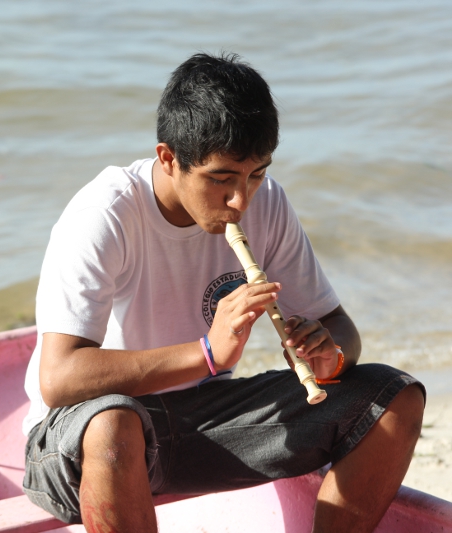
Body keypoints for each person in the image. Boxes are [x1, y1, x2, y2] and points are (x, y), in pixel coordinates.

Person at [21, 52, 426, 533]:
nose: (241, 199)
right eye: (221, 178)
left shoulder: (267, 201)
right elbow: (60, 376)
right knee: (114, 422)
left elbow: (341, 329)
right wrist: (208, 353)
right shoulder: (106, 212)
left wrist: (330, 355)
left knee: (393, 397)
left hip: (200, 426)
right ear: (169, 159)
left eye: (256, 174)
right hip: (78, 445)